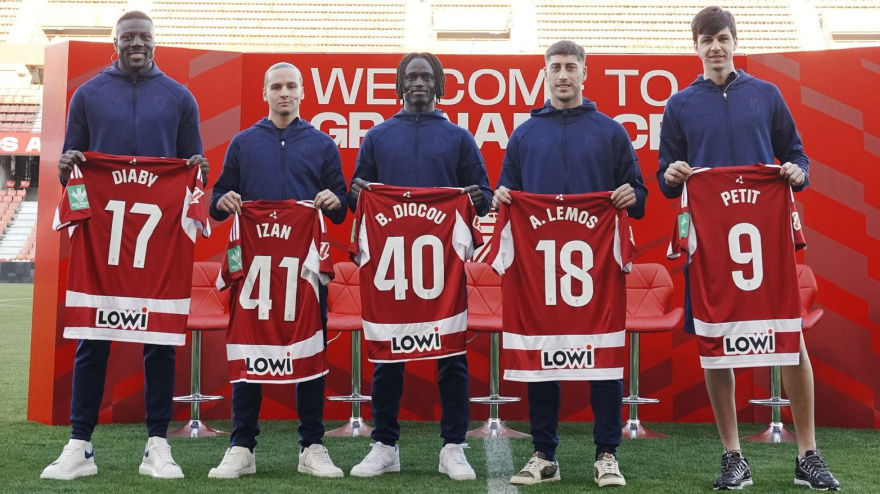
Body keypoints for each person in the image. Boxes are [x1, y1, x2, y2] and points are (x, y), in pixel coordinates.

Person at [657, 6, 840, 491]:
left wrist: (798, 173)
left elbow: (797, 154)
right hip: (711, 246)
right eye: (705, 40)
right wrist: (672, 176)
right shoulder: (679, 105)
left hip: (767, 241)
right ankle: (733, 455)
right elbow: (665, 178)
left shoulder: (767, 93)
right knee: (716, 349)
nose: (714, 47)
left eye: (721, 38)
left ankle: (808, 455)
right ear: (694, 46)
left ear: (735, 41)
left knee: (790, 340)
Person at [41, 11, 208, 481]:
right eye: (128, 37)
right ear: (114, 43)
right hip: (104, 242)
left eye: (145, 37)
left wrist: (198, 169)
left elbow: (192, 164)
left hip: (158, 242)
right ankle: (80, 443)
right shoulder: (89, 93)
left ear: (155, 42)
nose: (137, 43)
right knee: (92, 340)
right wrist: (67, 163)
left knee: (159, 343)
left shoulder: (179, 96)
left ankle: (157, 443)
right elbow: (68, 164)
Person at [493, 40, 646, 488]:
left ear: (584, 73)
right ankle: (544, 455)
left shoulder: (610, 131)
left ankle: (606, 455)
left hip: (595, 270)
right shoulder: (524, 134)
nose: (563, 75)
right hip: (539, 270)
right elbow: (506, 194)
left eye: (571, 67)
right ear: (545, 74)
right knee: (542, 361)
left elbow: (638, 196)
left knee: (603, 360)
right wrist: (503, 196)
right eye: (555, 67)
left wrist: (630, 194)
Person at [347, 52, 492, 481]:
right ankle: (385, 444)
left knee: (451, 356)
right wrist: (357, 191)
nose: (418, 83)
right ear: (399, 85)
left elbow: (483, 193)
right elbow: (358, 201)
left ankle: (453, 446)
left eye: (426, 77)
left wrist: (471, 196)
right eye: (410, 77)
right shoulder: (377, 136)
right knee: (387, 356)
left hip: (440, 270)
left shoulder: (459, 137)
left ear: (439, 85)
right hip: (391, 269)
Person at [207, 62, 347, 479]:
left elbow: (340, 203)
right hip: (256, 271)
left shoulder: (322, 143)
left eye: (291, 86)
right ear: (265, 93)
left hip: (304, 271)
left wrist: (333, 201)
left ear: (302, 92)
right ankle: (242, 446)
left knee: (310, 351)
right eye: (276, 87)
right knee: (250, 349)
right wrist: (225, 201)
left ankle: (312, 445)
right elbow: (217, 198)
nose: (284, 93)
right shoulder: (243, 142)